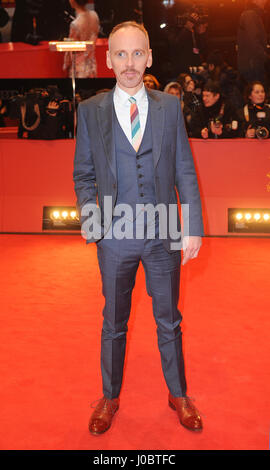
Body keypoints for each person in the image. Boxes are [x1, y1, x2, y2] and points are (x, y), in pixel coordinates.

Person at [73, 21, 204, 436]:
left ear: (150, 57)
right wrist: (92, 222)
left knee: (169, 319)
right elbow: (83, 175)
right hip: (113, 237)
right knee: (114, 322)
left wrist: (193, 226)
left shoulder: (169, 106)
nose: (130, 63)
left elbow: (184, 169)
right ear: (108, 59)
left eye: (137, 54)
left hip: (164, 231)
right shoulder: (89, 110)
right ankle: (109, 398)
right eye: (121, 54)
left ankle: (178, 394)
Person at [63, 0, 100, 78]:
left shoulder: (75, 24)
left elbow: (71, 48)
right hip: (91, 64)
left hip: (79, 66)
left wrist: (66, 63)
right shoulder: (94, 16)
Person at [237, 0, 269, 85]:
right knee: (258, 92)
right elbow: (254, 41)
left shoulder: (252, 15)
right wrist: (266, 57)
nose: (265, 1)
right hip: (253, 64)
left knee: (255, 92)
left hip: (252, 63)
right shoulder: (250, 15)